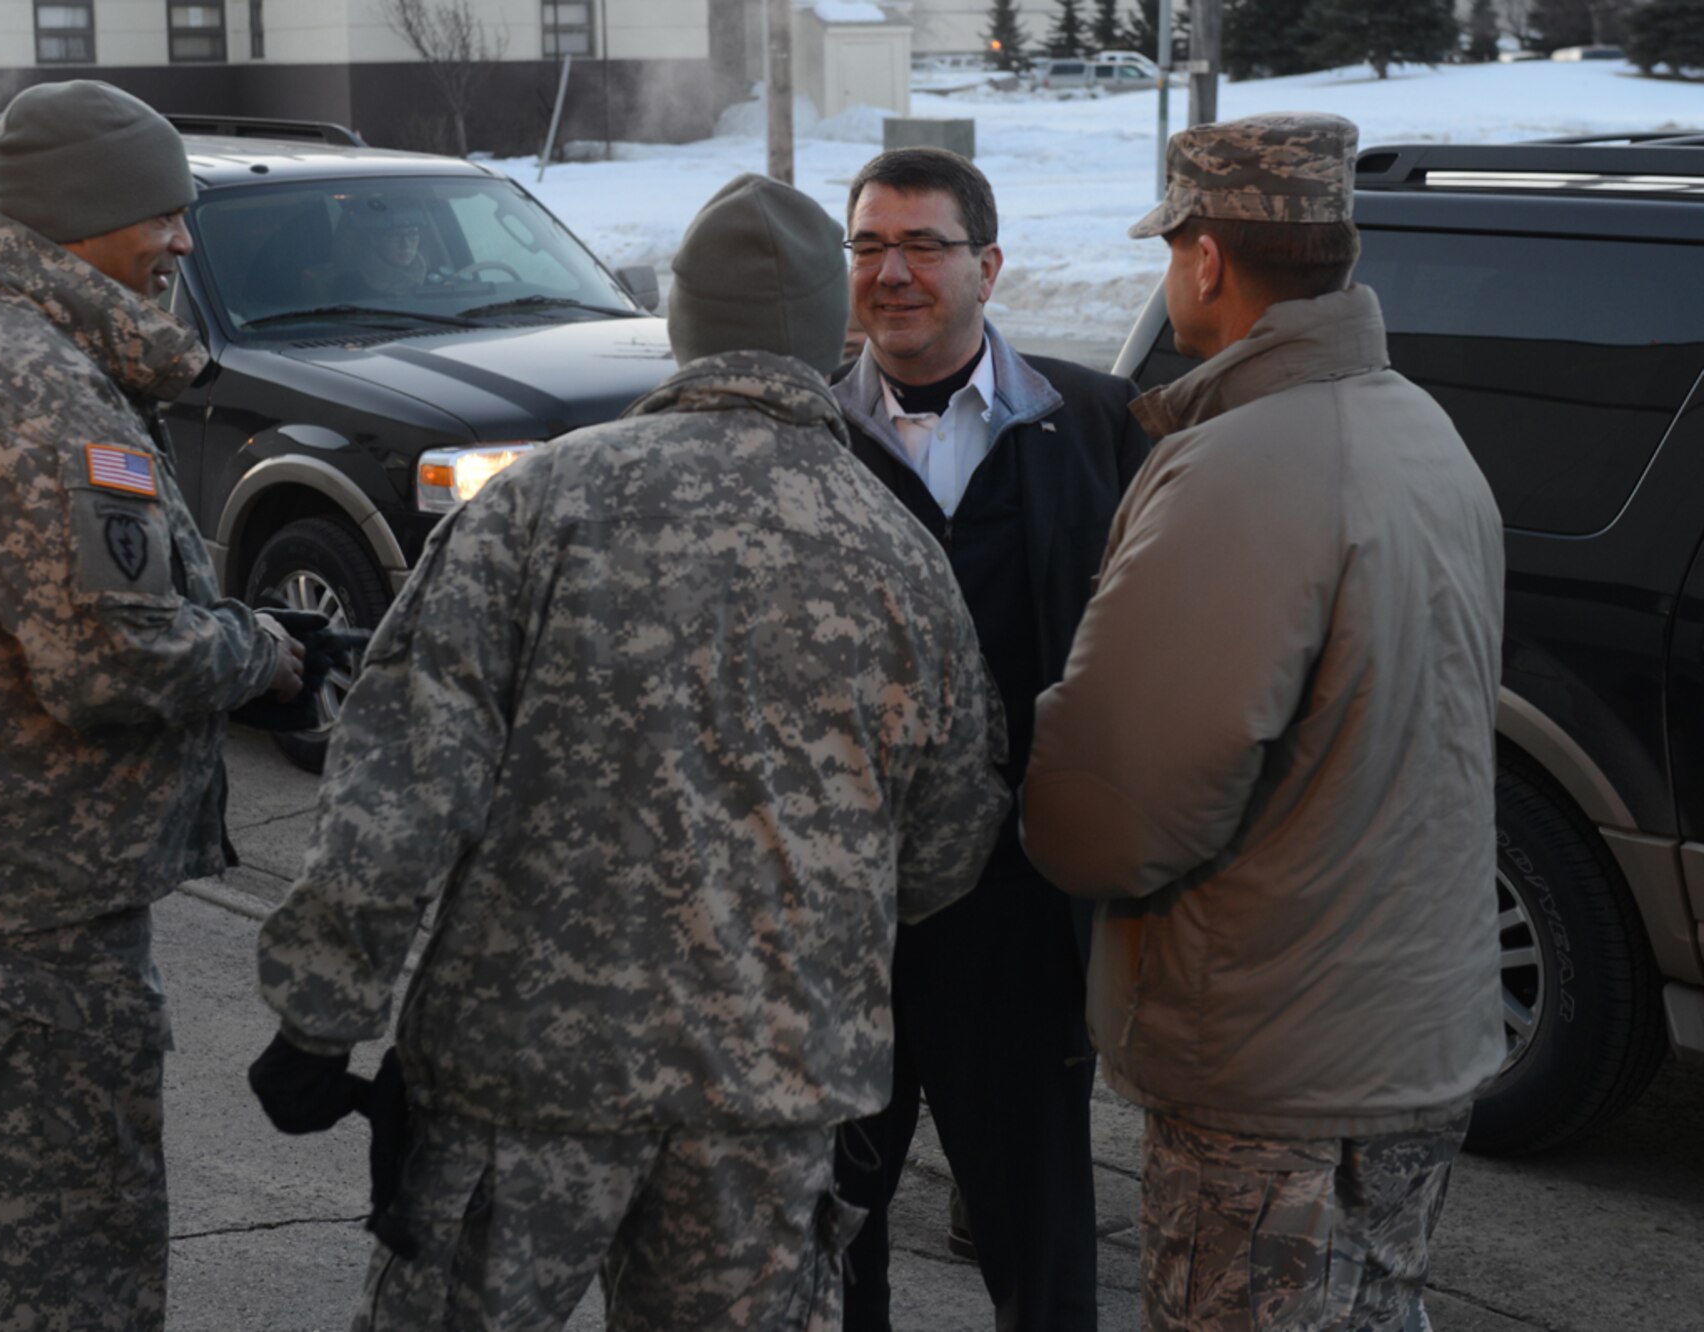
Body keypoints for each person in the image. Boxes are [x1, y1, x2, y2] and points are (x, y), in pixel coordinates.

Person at [246, 173, 1011, 1331]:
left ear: (680, 323)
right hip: (768, 1095)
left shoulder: (535, 506)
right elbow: (949, 841)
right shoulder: (900, 557)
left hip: (524, 1078)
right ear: (828, 330)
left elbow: (396, 794)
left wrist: (318, 1020)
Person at [1022, 113, 1506, 1331]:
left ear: (1204, 259)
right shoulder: (1422, 433)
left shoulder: (1241, 465)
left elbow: (1114, 815)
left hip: (1269, 1068)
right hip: (1414, 1039)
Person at [0, 80, 305, 1330]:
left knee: (6, 1253)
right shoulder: (31, 384)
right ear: (84, 219)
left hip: (1, 891)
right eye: (160, 213)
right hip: (31, 908)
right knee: (73, 1271)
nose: (179, 239)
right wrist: (256, 650)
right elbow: (112, 666)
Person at [828, 146, 1152, 1331]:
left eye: (922, 245)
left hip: (1017, 922)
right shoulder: (806, 434)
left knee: (1040, 1239)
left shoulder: (1099, 426)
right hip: (838, 918)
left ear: (988, 265)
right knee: (830, 1235)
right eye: (867, 245)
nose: (891, 273)